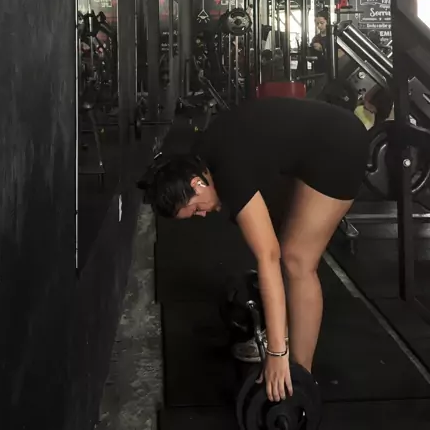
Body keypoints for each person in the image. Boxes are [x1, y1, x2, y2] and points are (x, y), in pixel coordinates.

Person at [138, 97, 369, 404]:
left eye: (195, 209)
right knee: (282, 243)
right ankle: (282, 340)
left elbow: (267, 256)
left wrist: (275, 353)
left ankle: (298, 379)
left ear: (197, 183)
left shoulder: (228, 171)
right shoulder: (201, 159)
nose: (202, 215)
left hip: (339, 146)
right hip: (311, 151)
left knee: (296, 259)